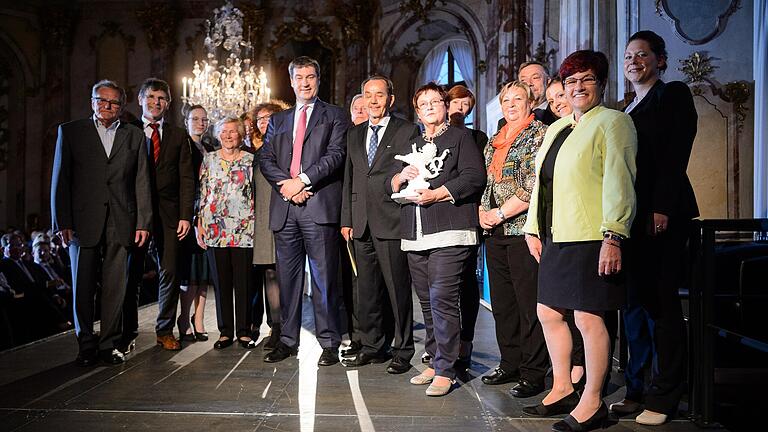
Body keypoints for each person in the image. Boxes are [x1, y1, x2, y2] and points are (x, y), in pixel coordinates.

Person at [522, 50, 637, 432]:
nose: (577, 87)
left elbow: (620, 181)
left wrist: (613, 235)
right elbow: (543, 183)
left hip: (591, 234)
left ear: (600, 83)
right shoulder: (557, 128)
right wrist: (532, 228)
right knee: (549, 313)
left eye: (586, 79)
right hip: (556, 233)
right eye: (571, 81)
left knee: (588, 318)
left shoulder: (613, 122)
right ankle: (561, 387)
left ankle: (592, 400)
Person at [611, 30, 699, 427]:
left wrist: (661, 207)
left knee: (661, 307)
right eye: (629, 55)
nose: (633, 61)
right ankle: (636, 388)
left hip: (660, 215)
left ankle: (665, 395)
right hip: (630, 218)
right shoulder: (625, 107)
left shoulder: (673, 94)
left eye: (642, 54)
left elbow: (674, 154)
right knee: (633, 307)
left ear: (661, 60)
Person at [388, 82, 485, 396]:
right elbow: (394, 181)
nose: (429, 106)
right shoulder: (413, 142)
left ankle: (447, 368)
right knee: (427, 302)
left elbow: (473, 177)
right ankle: (434, 359)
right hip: (416, 231)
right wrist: (403, 177)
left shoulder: (461, 138)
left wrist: (438, 194)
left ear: (446, 106)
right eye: (422, 103)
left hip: (450, 227)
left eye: (434, 101)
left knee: (443, 298)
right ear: (417, 111)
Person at [51, 79, 153, 366]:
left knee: (115, 286)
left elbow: (142, 182)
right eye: (102, 100)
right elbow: (61, 181)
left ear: (121, 106)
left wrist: (143, 222)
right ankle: (85, 343)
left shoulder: (135, 136)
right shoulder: (70, 132)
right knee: (82, 285)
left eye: (114, 102)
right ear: (92, 102)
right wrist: (62, 221)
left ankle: (109, 344)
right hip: (82, 222)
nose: (107, 106)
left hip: (122, 219)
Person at [260, 56, 351, 367]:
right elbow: (266, 159)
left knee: (325, 280)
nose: (305, 82)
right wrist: (286, 185)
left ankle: (329, 342)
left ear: (318, 78)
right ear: (291, 81)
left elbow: (336, 154)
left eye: (310, 76)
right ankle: (287, 340)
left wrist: (302, 180)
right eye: (299, 77)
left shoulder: (335, 116)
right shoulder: (278, 120)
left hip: (318, 206)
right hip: (286, 209)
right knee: (288, 279)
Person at [340, 75, 419, 374]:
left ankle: (403, 349)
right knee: (367, 290)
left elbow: (410, 174)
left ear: (390, 99)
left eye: (380, 95)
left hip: (391, 220)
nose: (373, 100)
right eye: (368, 95)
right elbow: (350, 179)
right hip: (360, 223)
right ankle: (373, 346)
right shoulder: (354, 135)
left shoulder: (407, 130)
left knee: (398, 290)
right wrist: (346, 219)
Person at [478, 81, 549, 398]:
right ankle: (510, 363)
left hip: (523, 231)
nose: (510, 104)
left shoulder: (539, 134)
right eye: (505, 99)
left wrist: (499, 214)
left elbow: (533, 184)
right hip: (494, 233)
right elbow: (486, 182)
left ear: (530, 102)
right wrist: (482, 211)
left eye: (517, 99)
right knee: (503, 305)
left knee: (528, 304)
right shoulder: (493, 141)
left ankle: (534, 373)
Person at [123, 78, 195, 353]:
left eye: (162, 98)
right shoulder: (127, 131)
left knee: (171, 271)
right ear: (140, 99)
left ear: (169, 103)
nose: (156, 103)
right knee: (132, 272)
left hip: (170, 213)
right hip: (134, 212)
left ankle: (164, 330)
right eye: (151, 97)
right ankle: (127, 331)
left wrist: (186, 215)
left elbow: (187, 178)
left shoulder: (178, 135)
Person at [196, 117, 257, 350]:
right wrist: (198, 222)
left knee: (243, 283)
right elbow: (202, 192)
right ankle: (224, 332)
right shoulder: (208, 159)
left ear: (241, 136)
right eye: (224, 132)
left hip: (244, 229)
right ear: (218, 135)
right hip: (214, 228)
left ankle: (243, 331)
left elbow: (256, 195)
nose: (228, 136)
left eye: (233, 132)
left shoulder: (251, 160)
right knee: (221, 284)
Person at [545, 77, 586, 390]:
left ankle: (582, 370)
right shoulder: (555, 131)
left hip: (583, 229)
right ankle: (563, 376)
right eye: (551, 99)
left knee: (583, 311)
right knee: (552, 307)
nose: (557, 101)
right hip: (552, 229)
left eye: (561, 94)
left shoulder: (601, 125)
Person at [445, 84, 487, 369]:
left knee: (467, 281)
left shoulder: (478, 137)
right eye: (454, 103)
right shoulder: (434, 135)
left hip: (468, 215)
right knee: (442, 285)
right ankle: (443, 343)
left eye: (464, 103)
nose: (459, 108)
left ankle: (466, 341)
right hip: (438, 215)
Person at [247, 101, 287, 349]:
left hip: (280, 215)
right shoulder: (255, 150)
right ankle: (275, 326)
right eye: (260, 118)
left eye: (270, 117)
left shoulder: (285, 146)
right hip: (260, 219)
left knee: (281, 276)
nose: (265, 122)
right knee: (269, 274)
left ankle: (282, 328)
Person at [177, 105, 214, 343]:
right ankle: (183, 318)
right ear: (187, 121)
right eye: (195, 119)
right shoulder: (182, 145)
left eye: (204, 119)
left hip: (208, 217)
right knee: (189, 274)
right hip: (188, 216)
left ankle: (198, 319)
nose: (200, 123)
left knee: (203, 274)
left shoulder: (210, 148)